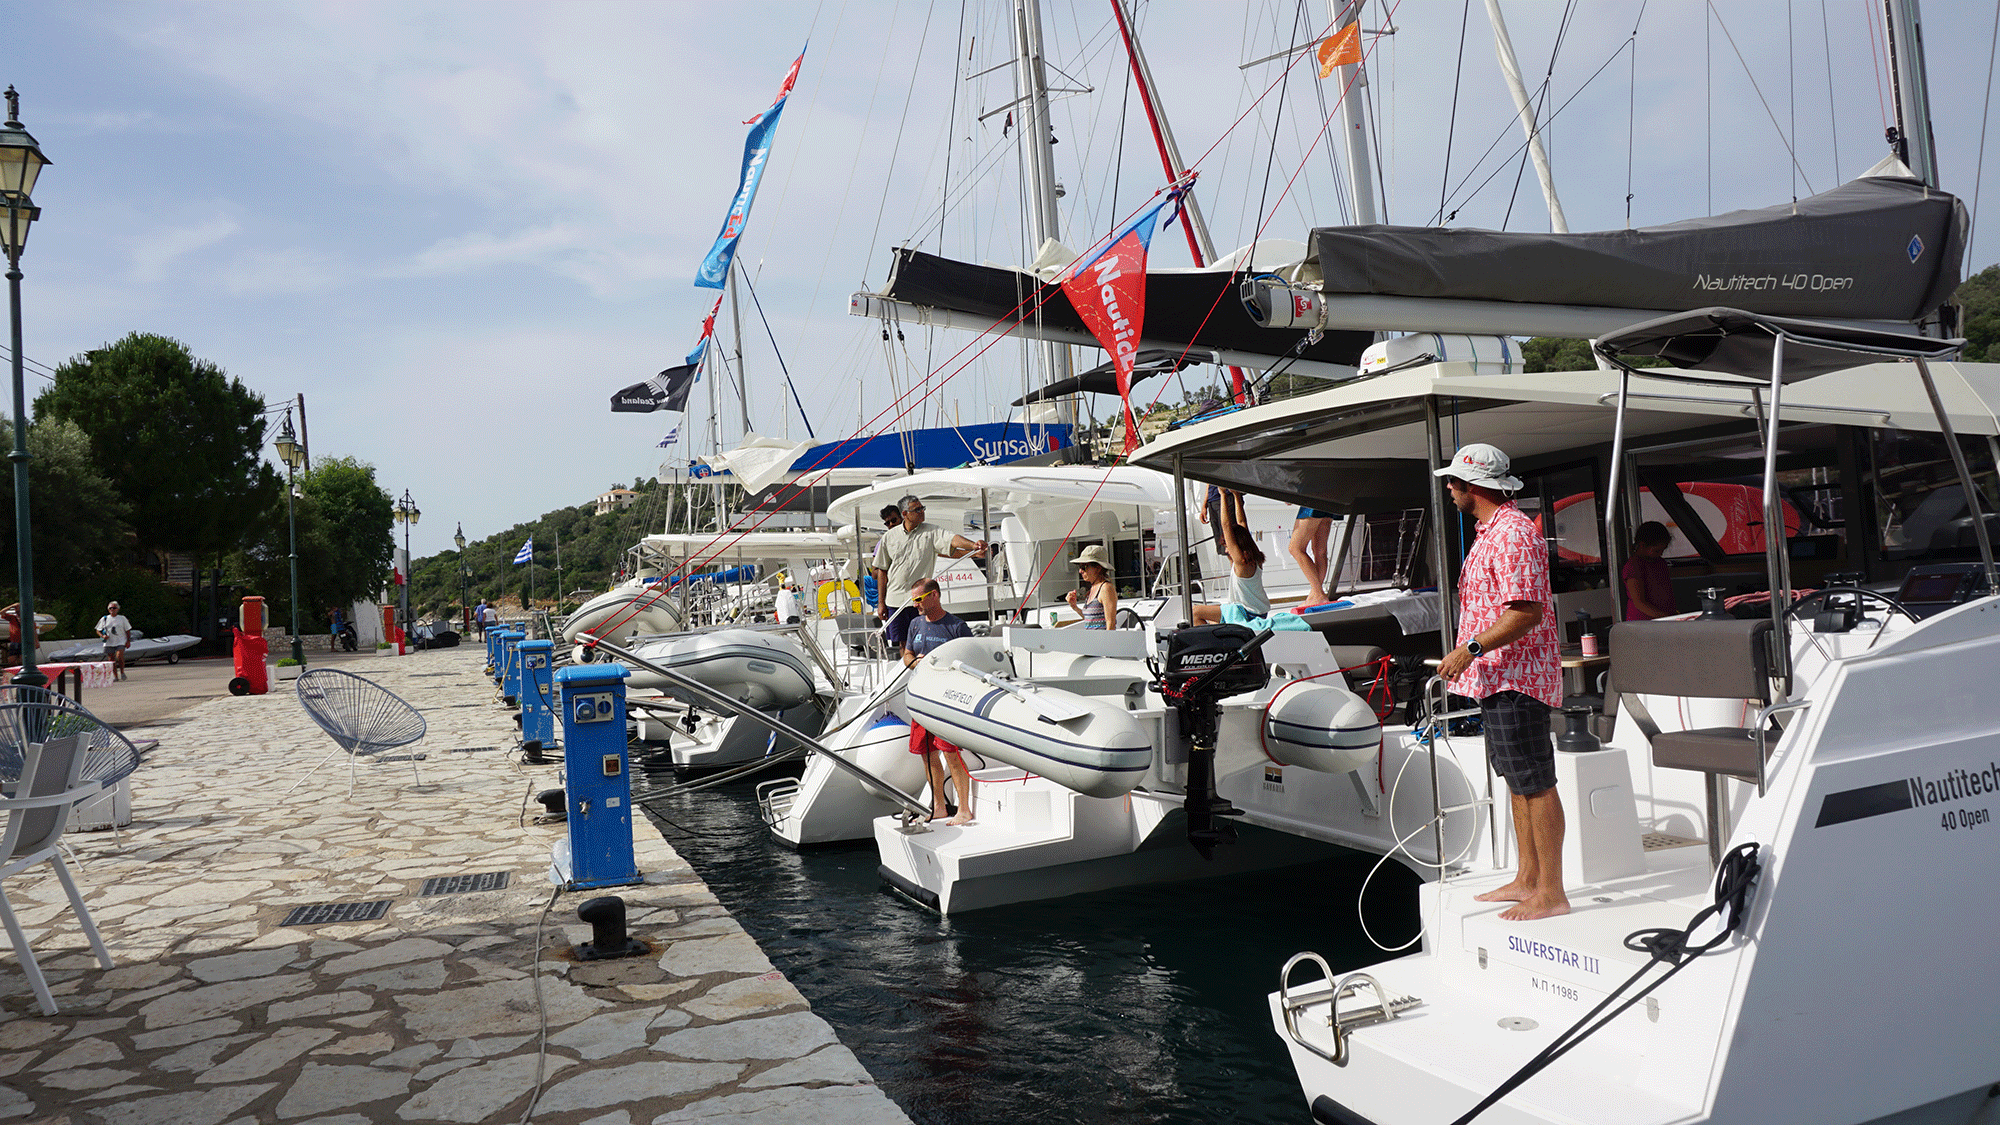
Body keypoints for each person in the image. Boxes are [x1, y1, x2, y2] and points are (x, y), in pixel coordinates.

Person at [1433, 442, 1568, 922]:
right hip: (1499, 677)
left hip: (1518, 677)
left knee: (1535, 781)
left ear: (1472, 486)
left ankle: (1551, 890)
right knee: (1517, 780)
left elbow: (1526, 611)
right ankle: (1527, 878)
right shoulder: (1494, 531)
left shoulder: (1512, 534)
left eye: (1453, 481)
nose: (1449, 488)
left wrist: (1467, 650)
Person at [901, 579, 977, 825]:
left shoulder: (957, 626)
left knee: (951, 754)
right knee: (927, 753)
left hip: (945, 703)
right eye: (913, 600)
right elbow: (907, 655)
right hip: (922, 699)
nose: (915, 605)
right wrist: (915, 663)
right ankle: (939, 806)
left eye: (919, 599)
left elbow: (971, 664)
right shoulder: (915, 624)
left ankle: (964, 809)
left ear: (934, 596)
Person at [874, 495, 987, 651]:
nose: (922, 511)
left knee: (924, 641)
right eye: (917, 509)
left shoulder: (932, 531)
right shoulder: (888, 537)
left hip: (920, 601)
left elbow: (952, 539)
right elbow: (881, 571)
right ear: (905, 514)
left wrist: (973, 546)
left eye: (922, 508)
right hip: (895, 601)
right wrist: (881, 603)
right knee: (903, 644)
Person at [1191, 489, 1269, 626]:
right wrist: (1236, 496)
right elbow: (1241, 522)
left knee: (1195, 612)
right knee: (1213, 622)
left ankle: (1212, 647)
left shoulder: (1241, 562)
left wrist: (1222, 496)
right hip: (1259, 612)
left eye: (1227, 545)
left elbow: (1226, 526)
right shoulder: (1253, 558)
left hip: (1247, 613)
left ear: (1236, 545)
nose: (1227, 550)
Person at [1622, 521, 1675, 620]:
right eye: (1657, 550)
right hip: (1643, 623)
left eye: (1663, 550)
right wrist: (1664, 616)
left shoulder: (1660, 563)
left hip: (1663, 619)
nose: (1661, 554)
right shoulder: (1634, 566)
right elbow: (1639, 602)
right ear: (1642, 545)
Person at [1289, 507, 1337, 604]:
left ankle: (1319, 594)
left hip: (1312, 503)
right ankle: (1314, 595)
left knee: (1295, 548)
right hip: (1331, 501)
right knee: (1320, 551)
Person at [1066, 544, 1119, 629]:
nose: (1080, 571)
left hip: (1101, 641)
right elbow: (1090, 620)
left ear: (1098, 568)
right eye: (1080, 566)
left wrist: (1107, 642)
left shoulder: (1106, 588)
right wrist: (1074, 607)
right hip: (1092, 641)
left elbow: (1111, 623)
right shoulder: (1093, 588)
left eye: (1083, 567)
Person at [866, 504, 902, 609]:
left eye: (894, 520)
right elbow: (875, 573)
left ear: (901, 518)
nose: (891, 524)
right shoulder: (882, 543)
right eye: (887, 523)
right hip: (893, 597)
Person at [96, 601, 133, 682]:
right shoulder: (104, 619)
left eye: (114, 608)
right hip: (109, 641)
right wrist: (102, 636)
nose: (112, 609)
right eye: (111, 608)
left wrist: (128, 640)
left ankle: (122, 672)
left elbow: (128, 630)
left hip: (120, 640)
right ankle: (115, 675)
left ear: (118, 609)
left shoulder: (122, 618)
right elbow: (98, 630)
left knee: (119, 655)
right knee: (111, 659)